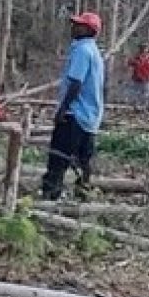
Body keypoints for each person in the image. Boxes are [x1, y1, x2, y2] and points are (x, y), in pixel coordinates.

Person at [42, 11, 105, 201]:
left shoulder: (82, 50)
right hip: (91, 117)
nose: (74, 27)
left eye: (78, 25)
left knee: (58, 158)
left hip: (75, 114)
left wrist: (62, 109)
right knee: (83, 162)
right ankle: (83, 197)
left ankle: (50, 197)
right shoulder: (94, 52)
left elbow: (76, 83)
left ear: (88, 30)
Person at [126, 43, 149, 107]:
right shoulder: (136, 57)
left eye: (145, 48)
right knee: (136, 94)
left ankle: (144, 107)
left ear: (147, 49)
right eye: (142, 48)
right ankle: (136, 107)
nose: (144, 49)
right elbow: (129, 65)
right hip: (136, 79)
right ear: (140, 49)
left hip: (146, 79)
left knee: (146, 95)